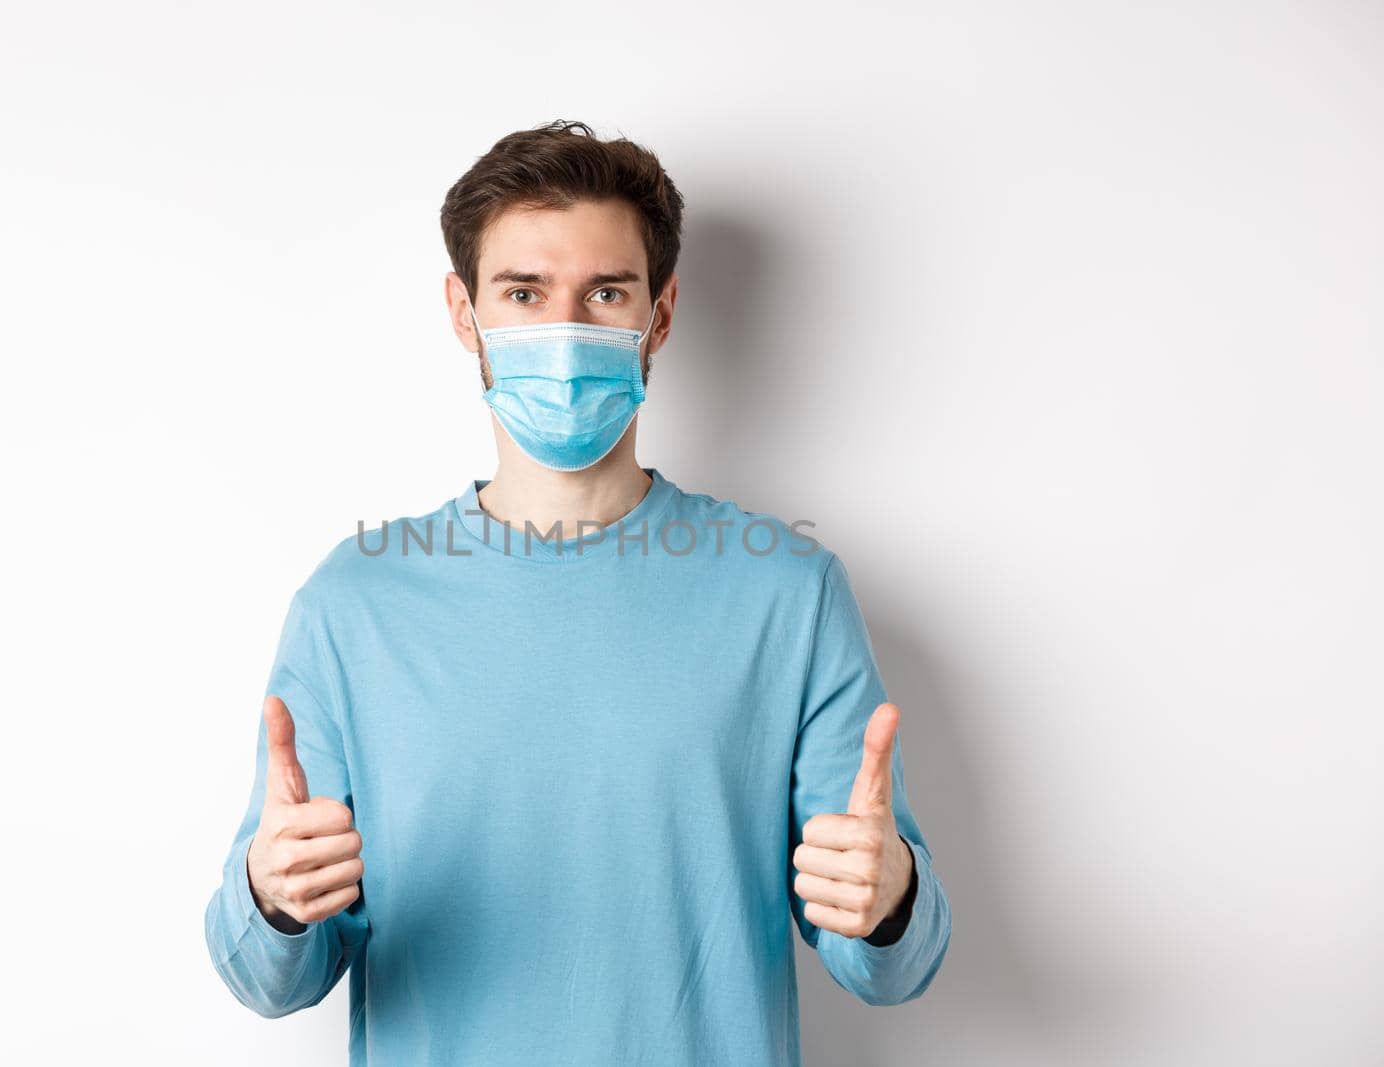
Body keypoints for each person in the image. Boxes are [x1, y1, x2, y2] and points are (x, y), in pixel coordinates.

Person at [203, 119, 951, 1065]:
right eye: (523, 293)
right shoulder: (354, 607)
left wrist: (890, 904)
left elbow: (891, 965)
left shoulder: (786, 594)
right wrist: (272, 898)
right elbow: (270, 977)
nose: (564, 333)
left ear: (662, 314)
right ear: (463, 312)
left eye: (605, 292)